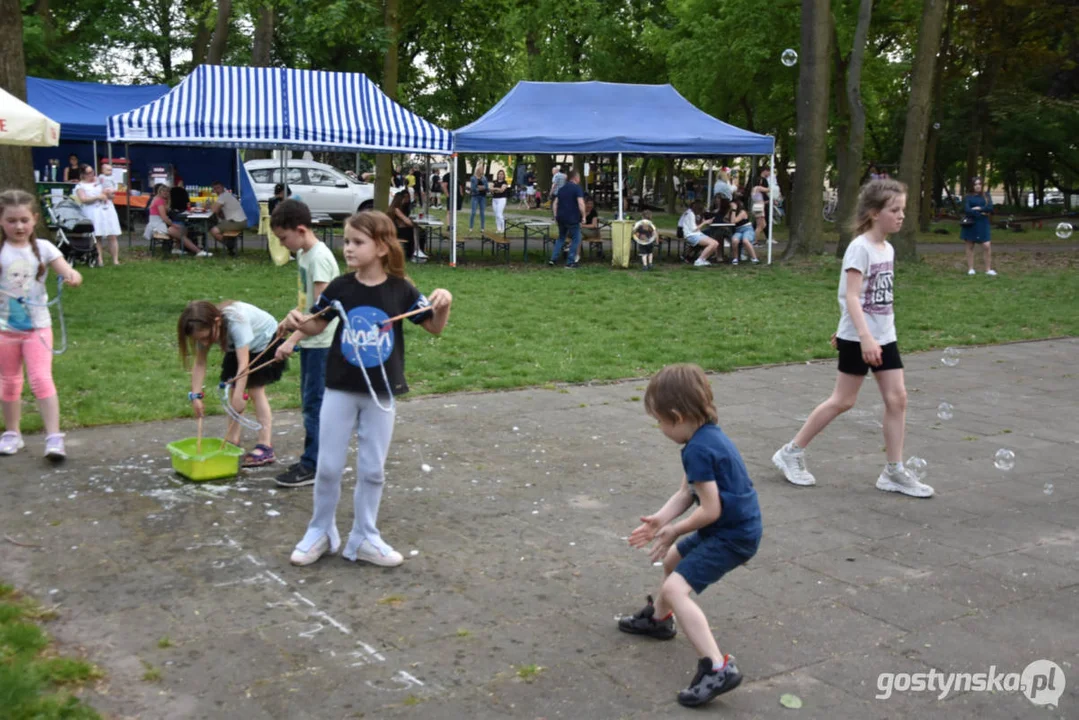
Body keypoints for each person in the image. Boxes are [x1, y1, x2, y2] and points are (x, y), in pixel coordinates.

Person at [280, 210, 452, 568]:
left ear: (382, 247)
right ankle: (321, 531)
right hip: (340, 388)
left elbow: (434, 328)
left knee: (373, 470)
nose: (348, 249)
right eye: (346, 241)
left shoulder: (402, 290)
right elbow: (316, 325)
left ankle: (364, 538)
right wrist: (295, 324)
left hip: (382, 393)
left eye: (358, 242)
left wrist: (444, 304)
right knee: (327, 467)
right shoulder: (341, 288)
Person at [772, 179, 933, 498]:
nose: (901, 216)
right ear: (874, 213)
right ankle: (790, 452)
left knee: (897, 398)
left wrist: (867, 334)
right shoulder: (859, 248)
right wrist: (860, 337)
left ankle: (893, 471)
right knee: (843, 400)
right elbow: (852, 297)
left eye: (903, 209)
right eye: (894, 210)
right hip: (863, 339)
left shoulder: (887, 248)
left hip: (884, 336)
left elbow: (875, 298)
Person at [618, 363, 761, 708]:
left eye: (660, 421)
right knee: (673, 560)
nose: (660, 428)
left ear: (678, 416)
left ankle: (717, 667)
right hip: (729, 528)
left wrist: (675, 529)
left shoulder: (698, 449)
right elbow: (687, 493)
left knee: (674, 588)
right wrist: (660, 520)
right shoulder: (706, 435)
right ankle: (659, 620)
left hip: (731, 535)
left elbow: (709, 509)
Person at [0, 190, 84, 459]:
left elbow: (70, 271)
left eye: (24, 220)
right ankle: (12, 433)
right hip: (4, 330)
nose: (19, 226)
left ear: (35, 219)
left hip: (38, 328)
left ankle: (53, 437)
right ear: (1, 221)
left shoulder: (45, 248)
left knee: (40, 380)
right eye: (11, 221)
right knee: (9, 382)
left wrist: (72, 276)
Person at [270, 199, 340, 488]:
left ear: (300, 230)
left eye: (284, 238)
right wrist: (286, 325)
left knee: (314, 405)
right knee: (311, 403)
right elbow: (305, 304)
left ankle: (314, 466)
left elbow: (321, 311)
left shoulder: (320, 258)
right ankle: (313, 459)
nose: (283, 244)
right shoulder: (303, 255)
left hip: (321, 342)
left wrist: (293, 339)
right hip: (310, 339)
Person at [178, 298, 288, 467]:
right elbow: (200, 363)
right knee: (232, 388)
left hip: (265, 341)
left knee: (254, 391)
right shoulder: (205, 330)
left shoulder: (237, 321)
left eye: (207, 337)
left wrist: (239, 396)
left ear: (217, 322)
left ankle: (266, 446)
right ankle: (232, 440)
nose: (205, 343)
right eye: (200, 340)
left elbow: (243, 363)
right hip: (238, 346)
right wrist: (196, 395)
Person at [75, 165, 121, 266]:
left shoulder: (100, 180)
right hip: (93, 211)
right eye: (88, 173)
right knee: (97, 236)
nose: (92, 175)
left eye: (92, 172)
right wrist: (98, 197)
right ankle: (99, 260)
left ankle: (115, 260)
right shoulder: (80, 186)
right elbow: (83, 199)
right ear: (83, 174)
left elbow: (112, 193)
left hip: (107, 209)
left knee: (112, 235)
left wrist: (109, 194)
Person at [146, 184, 205, 256]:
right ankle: (198, 251)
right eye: (163, 191)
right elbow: (164, 218)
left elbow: (168, 213)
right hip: (157, 226)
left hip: (158, 223)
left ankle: (176, 248)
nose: (166, 193)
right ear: (159, 191)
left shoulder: (159, 199)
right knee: (178, 230)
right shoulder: (159, 201)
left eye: (167, 192)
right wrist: (174, 225)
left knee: (183, 228)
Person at [549, 170, 585, 268]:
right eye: (579, 177)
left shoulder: (561, 189)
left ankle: (553, 259)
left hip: (561, 217)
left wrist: (556, 216)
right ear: (575, 178)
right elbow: (581, 203)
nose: (579, 179)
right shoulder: (577, 189)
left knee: (561, 238)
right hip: (572, 218)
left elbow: (555, 204)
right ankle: (570, 261)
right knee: (576, 238)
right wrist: (584, 216)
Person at [961, 177, 994, 276]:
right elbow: (967, 210)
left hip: (983, 223)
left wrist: (979, 208)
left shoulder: (986, 195)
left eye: (979, 184)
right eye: (975, 184)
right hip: (971, 223)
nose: (978, 186)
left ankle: (988, 269)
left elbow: (990, 208)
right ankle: (971, 268)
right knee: (970, 245)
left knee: (987, 246)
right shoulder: (968, 197)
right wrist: (981, 212)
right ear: (972, 186)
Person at [208, 181, 248, 257]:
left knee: (213, 230)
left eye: (218, 188)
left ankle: (229, 245)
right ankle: (230, 243)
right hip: (241, 221)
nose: (217, 190)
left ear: (222, 187)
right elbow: (221, 214)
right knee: (218, 225)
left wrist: (209, 206)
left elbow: (214, 210)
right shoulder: (227, 195)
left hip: (237, 222)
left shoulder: (223, 196)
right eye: (215, 189)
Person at [389, 188, 426, 262]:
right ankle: (416, 252)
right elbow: (407, 222)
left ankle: (418, 251)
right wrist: (411, 222)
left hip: (401, 229)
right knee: (415, 231)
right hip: (397, 231)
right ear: (401, 199)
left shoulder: (402, 208)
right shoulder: (396, 210)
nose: (408, 200)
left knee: (420, 231)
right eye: (406, 198)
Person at [679, 201, 718, 267]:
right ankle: (699, 260)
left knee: (716, 243)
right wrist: (705, 222)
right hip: (691, 235)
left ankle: (703, 259)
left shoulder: (692, 214)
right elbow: (694, 229)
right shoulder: (690, 214)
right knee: (712, 243)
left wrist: (703, 221)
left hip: (696, 234)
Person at [727, 199, 759, 265]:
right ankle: (735, 258)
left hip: (747, 229)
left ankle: (754, 258)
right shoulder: (732, 212)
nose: (730, 206)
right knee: (734, 240)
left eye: (732, 205)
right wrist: (730, 211)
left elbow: (733, 221)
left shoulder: (742, 212)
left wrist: (733, 210)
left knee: (745, 240)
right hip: (738, 230)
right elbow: (726, 218)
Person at [468, 164, 487, 232]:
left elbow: (486, 187)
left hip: (482, 197)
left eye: (483, 169)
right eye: (481, 169)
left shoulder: (484, 178)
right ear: (478, 170)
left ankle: (482, 228)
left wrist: (479, 187)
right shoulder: (473, 178)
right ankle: (471, 227)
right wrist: (481, 188)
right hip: (475, 196)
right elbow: (473, 188)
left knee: (482, 212)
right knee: (473, 212)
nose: (482, 170)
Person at [491, 169, 511, 233]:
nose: (500, 175)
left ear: (503, 175)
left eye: (502, 174)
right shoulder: (494, 181)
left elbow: (502, 190)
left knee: (499, 214)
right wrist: (497, 189)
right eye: (499, 174)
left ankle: (504, 227)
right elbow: (490, 189)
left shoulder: (504, 182)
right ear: (497, 175)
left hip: (502, 199)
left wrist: (495, 189)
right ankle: (498, 228)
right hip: (494, 199)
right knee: (496, 214)